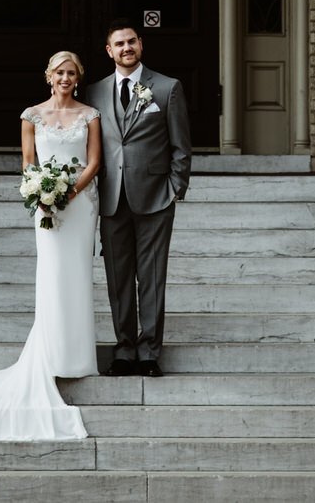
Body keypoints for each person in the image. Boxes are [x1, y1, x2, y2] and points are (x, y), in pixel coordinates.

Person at [0, 51, 101, 440]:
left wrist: (71, 191)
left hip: (81, 206)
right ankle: (52, 352)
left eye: (72, 73)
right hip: (46, 206)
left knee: (77, 277)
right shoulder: (30, 115)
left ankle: (78, 357)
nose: (66, 78)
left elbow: (93, 162)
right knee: (52, 276)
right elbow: (27, 161)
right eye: (60, 72)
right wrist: (42, 193)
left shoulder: (90, 115)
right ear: (48, 76)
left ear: (78, 78)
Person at [88, 19, 191, 378]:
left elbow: (181, 146)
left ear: (141, 45)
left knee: (151, 277)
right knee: (118, 279)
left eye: (131, 41)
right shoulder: (95, 93)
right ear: (109, 51)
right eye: (119, 44)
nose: (126, 48)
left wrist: (175, 188)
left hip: (154, 198)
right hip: (112, 200)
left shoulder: (166, 88)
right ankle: (123, 350)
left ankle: (149, 352)